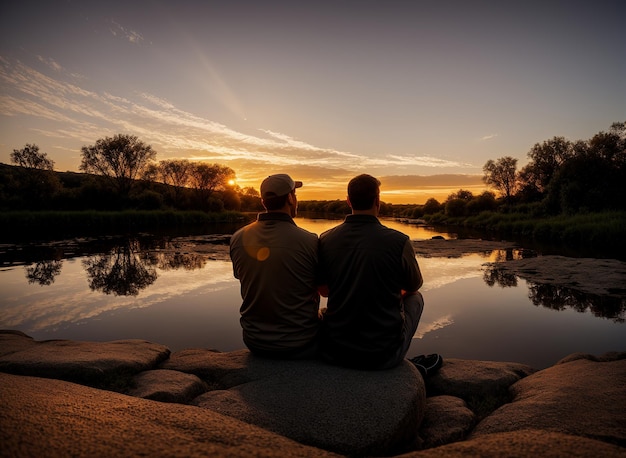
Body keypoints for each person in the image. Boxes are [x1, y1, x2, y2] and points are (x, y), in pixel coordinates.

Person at [318, 174, 441, 374]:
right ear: (378, 201)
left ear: (348, 201)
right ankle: (404, 361)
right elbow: (413, 287)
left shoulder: (325, 239)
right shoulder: (399, 241)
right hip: (383, 356)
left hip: (334, 351)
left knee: (325, 312)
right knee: (416, 298)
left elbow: (323, 291)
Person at [230, 173, 320, 359]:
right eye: (295, 194)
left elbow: (242, 277)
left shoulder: (238, 238)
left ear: (264, 202)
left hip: (254, 341)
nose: (295, 199)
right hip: (300, 342)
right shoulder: (310, 241)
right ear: (289, 198)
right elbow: (324, 289)